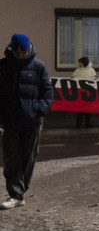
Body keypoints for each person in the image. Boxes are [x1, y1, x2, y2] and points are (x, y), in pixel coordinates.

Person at [0, 34, 54, 210]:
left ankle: (20, 191)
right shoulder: (3, 66)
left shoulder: (39, 67)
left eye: (24, 52)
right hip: (10, 122)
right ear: (12, 50)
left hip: (32, 122)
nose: (21, 55)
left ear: (29, 49)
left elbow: (48, 93)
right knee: (11, 158)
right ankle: (16, 195)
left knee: (28, 158)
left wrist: (38, 111)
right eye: (18, 52)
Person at [70, 56, 97, 128]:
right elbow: (72, 77)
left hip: (88, 92)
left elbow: (95, 78)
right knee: (80, 109)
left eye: (80, 63)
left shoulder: (90, 70)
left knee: (87, 110)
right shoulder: (78, 70)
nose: (79, 64)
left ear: (84, 63)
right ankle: (80, 124)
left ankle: (86, 123)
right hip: (81, 93)